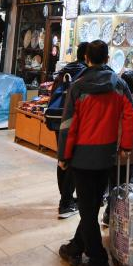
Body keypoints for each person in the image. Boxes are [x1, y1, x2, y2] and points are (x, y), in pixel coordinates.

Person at [57, 40, 133, 266]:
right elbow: (130, 115)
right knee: (91, 206)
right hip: (107, 156)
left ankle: (98, 261)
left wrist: (64, 155)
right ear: (108, 57)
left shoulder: (79, 86)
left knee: (88, 210)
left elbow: (68, 125)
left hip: (82, 156)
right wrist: (125, 147)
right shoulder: (119, 84)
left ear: (87, 59)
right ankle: (74, 247)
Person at [102, 70, 133, 225]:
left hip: (110, 148)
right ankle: (118, 216)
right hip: (131, 151)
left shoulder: (111, 100)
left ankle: (109, 214)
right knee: (126, 186)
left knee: (113, 183)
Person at [48, 42, 89, 219]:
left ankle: (65, 198)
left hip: (59, 119)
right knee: (73, 161)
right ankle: (66, 203)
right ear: (87, 56)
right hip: (75, 122)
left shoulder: (66, 70)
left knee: (62, 157)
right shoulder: (85, 74)